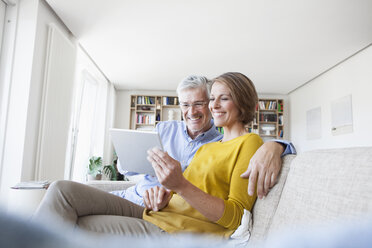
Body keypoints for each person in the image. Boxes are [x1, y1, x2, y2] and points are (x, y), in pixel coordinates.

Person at [33, 72, 262, 238]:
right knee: (62, 190)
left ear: (243, 102)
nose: (214, 105)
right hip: (157, 209)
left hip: (175, 229)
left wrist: (179, 184)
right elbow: (183, 191)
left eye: (223, 98)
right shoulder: (209, 148)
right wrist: (167, 194)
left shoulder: (250, 143)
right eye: (213, 98)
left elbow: (236, 217)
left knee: (76, 224)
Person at [112, 75, 296, 206]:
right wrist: (126, 159)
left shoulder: (221, 143)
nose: (191, 112)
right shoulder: (164, 129)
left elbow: (251, 147)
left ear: (209, 104)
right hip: (131, 194)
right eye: (185, 105)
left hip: (154, 207)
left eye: (199, 103)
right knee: (82, 197)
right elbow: (124, 168)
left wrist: (276, 145)